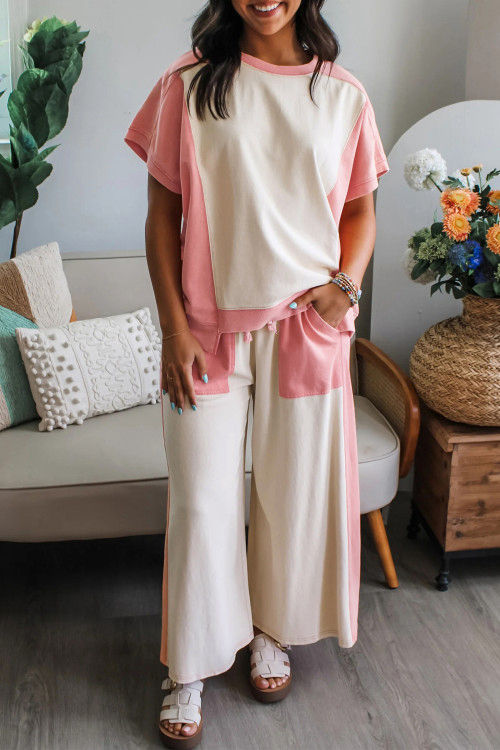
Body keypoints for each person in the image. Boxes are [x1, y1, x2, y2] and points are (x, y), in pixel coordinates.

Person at [124, 1, 389, 746]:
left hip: (306, 329)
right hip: (206, 334)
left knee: (292, 496)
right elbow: (161, 214)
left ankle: (272, 630)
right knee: (201, 502)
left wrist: (345, 288)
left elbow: (361, 211)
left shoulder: (343, 94)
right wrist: (173, 328)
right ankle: (189, 665)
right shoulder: (188, 83)